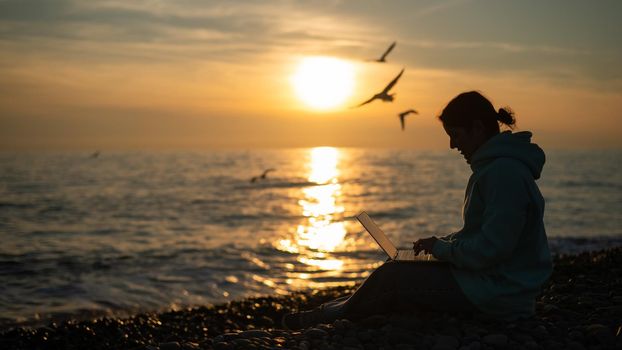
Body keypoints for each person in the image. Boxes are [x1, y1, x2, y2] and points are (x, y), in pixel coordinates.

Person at [282, 91, 552, 330]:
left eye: (455, 135)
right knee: (395, 267)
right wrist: (441, 244)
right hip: (489, 283)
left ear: (478, 128)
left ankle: (316, 320)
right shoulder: (496, 169)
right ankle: (325, 312)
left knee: (393, 278)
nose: (452, 146)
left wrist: (443, 250)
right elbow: (483, 236)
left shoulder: (503, 173)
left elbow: (491, 250)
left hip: (499, 294)